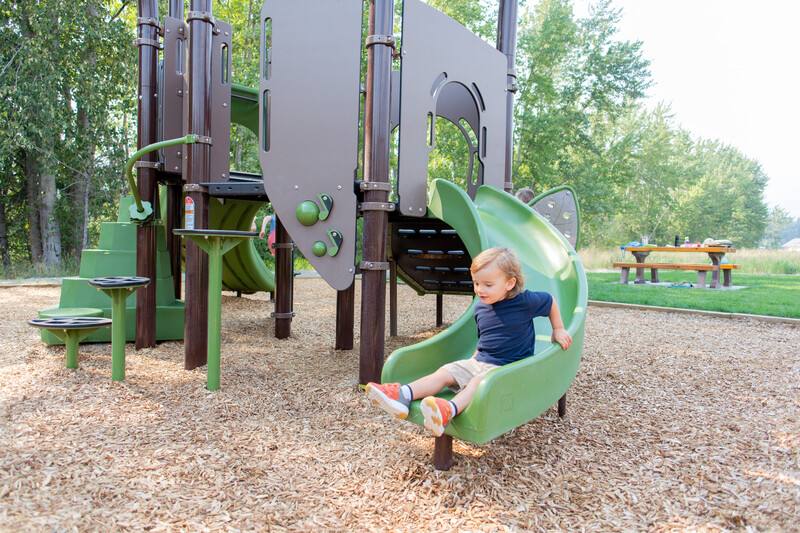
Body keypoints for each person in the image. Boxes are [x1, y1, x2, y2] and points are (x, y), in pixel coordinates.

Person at [366, 246, 572, 436]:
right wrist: (472, 360)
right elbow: (486, 337)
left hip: (510, 368)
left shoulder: (525, 301)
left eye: (488, 285)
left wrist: (558, 328)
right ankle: (403, 395)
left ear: (510, 284)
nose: (480, 290)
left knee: (476, 383)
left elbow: (550, 302)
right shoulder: (481, 306)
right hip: (481, 361)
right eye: (476, 283)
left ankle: (448, 410)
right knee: (444, 372)